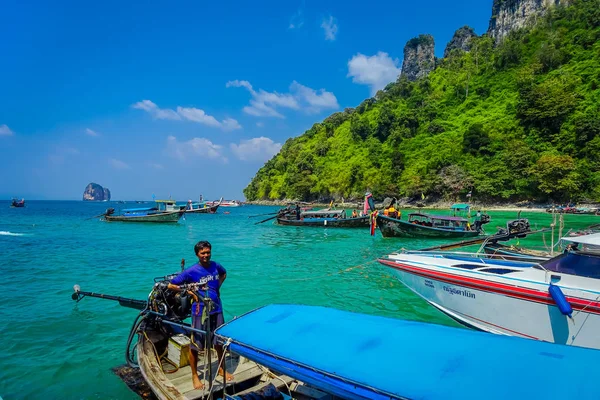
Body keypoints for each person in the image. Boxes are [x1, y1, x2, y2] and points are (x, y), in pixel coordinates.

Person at [166, 241, 232, 390]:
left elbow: (224, 274)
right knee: (196, 345)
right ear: (197, 254)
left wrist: (217, 288)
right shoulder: (191, 271)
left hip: (216, 309)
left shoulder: (216, 266)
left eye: (208, 252)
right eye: (203, 253)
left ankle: (221, 368)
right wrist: (188, 292)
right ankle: (195, 375)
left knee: (219, 341)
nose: (206, 255)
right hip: (199, 311)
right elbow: (171, 285)